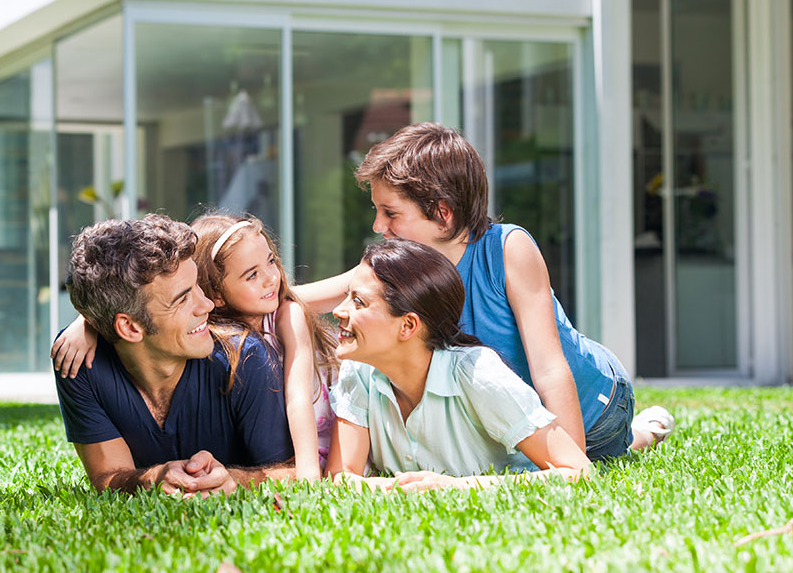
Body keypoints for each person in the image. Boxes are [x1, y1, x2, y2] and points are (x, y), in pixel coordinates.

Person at [300, 122, 673, 461]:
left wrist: (570, 460)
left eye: (391, 213)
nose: (379, 225)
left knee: (598, 454)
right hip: (518, 415)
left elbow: (549, 367)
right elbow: (317, 295)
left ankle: (641, 432)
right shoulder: (405, 265)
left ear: (442, 213)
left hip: (594, 406)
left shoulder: (507, 249)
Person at [53, 213, 339, 480]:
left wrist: (237, 481)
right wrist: (88, 320)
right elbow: (108, 477)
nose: (207, 306)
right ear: (128, 327)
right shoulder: (77, 358)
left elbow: (291, 471)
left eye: (198, 287)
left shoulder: (251, 352)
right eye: (182, 299)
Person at [327, 238, 592, 490]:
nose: (338, 310)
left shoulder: (479, 375)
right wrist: (396, 488)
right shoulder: (359, 368)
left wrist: (456, 487)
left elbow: (579, 471)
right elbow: (341, 476)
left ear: (408, 325)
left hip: (602, 410)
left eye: (358, 302)